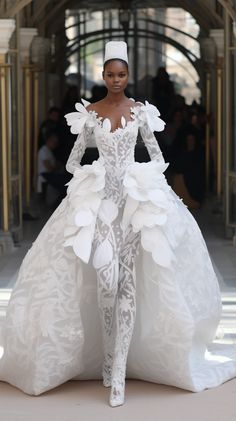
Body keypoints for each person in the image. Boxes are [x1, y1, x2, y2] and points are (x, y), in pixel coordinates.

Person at [0, 41, 236, 408]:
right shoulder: (91, 114)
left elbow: (157, 157)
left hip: (133, 206)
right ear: (103, 75)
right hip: (100, 206)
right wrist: (94, 178)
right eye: (110, 74)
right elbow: (72, 162)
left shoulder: (141, 112)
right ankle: (108, 360)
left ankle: (120, 373)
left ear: (127, 75)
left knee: (127, 283)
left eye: (121, 74)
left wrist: (138, 180)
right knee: (107, 283)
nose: (116, 79)